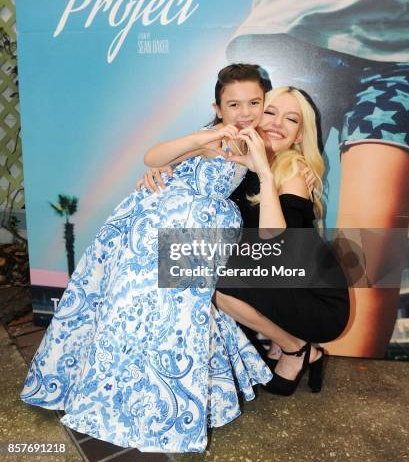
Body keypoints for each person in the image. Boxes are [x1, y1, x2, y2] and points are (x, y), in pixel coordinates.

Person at [160, 0, 409, 357]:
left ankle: (312, 352)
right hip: (290, 37)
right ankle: (274, 342)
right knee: (247, 204)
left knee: (370, 239)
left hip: (398, 54)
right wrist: (165, 166)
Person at [19, 64, 273, 454]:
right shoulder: (209, 137)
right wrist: (196, 144)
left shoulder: (260, 145)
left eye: (254, 102)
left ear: (264, 103)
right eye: (233, 104)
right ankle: (106, 399)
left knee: (176, 315)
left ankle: (165, 409)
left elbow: (260, 178)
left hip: (198, 226)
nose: (244, 112)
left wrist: (242, 153)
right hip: (144, 221)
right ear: (218, 107)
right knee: (120, 305)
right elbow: (151, 156)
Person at [214, 86, 350, 395]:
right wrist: (164, 168)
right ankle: (284, 341)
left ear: (299, 135)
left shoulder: (293, 172)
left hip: (319, 301)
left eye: (291, 120)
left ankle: (296, 348)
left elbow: (273, 247)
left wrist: (264, 171)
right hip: (285, 286)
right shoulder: (237, 163)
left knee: (219, 282)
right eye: (271, 113)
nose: (277, 124)